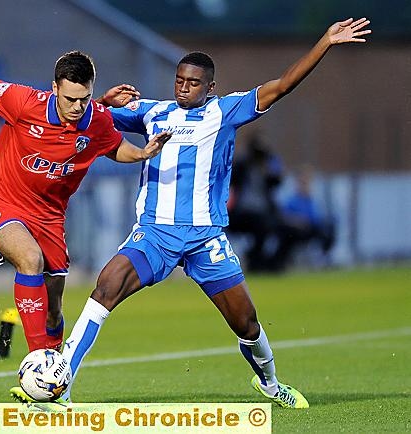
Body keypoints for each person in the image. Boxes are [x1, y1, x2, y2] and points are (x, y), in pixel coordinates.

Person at [58, 18, 371, 409]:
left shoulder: (226, 111)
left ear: (210, 87)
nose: (183, 88)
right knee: (106, 287)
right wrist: (102, 102)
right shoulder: (150, 112)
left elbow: (282, 85)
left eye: (192, 83)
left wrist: (324, 41)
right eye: (179, 80)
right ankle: (60, 384)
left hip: (206, 237)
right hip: (155, 233)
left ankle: (271, 385)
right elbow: (85, 119)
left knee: (247, 322)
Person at [0, 50, 171, 369]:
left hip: (50, 218)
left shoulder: (97, 119)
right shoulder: (25, 102)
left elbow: (115, 148)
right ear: (54, 89)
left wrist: (142, 153)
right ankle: (37, 363)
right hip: (0, 203)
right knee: (30, 260)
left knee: (53, 306)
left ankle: (52, 370)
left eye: (84, 98)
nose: (77, 107)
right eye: (70, 98)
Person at [228, 135, 283, 271]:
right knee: (261, 227)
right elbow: (232, 179)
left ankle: (273, 263)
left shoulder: (266, 168)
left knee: (282, 228)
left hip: (263, 212)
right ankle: (255, 261)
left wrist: (267, 168)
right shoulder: (243, 166)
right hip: (242, 213)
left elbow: (277, 181)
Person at [272, 164, 336, 271]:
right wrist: (297, 220)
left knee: (329, 227)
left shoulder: (312, 200)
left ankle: (324, 258)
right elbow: (284, 216)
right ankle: (281, 261)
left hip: (312, 228)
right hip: (297, 230)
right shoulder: (292, 200)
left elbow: (317, 217)